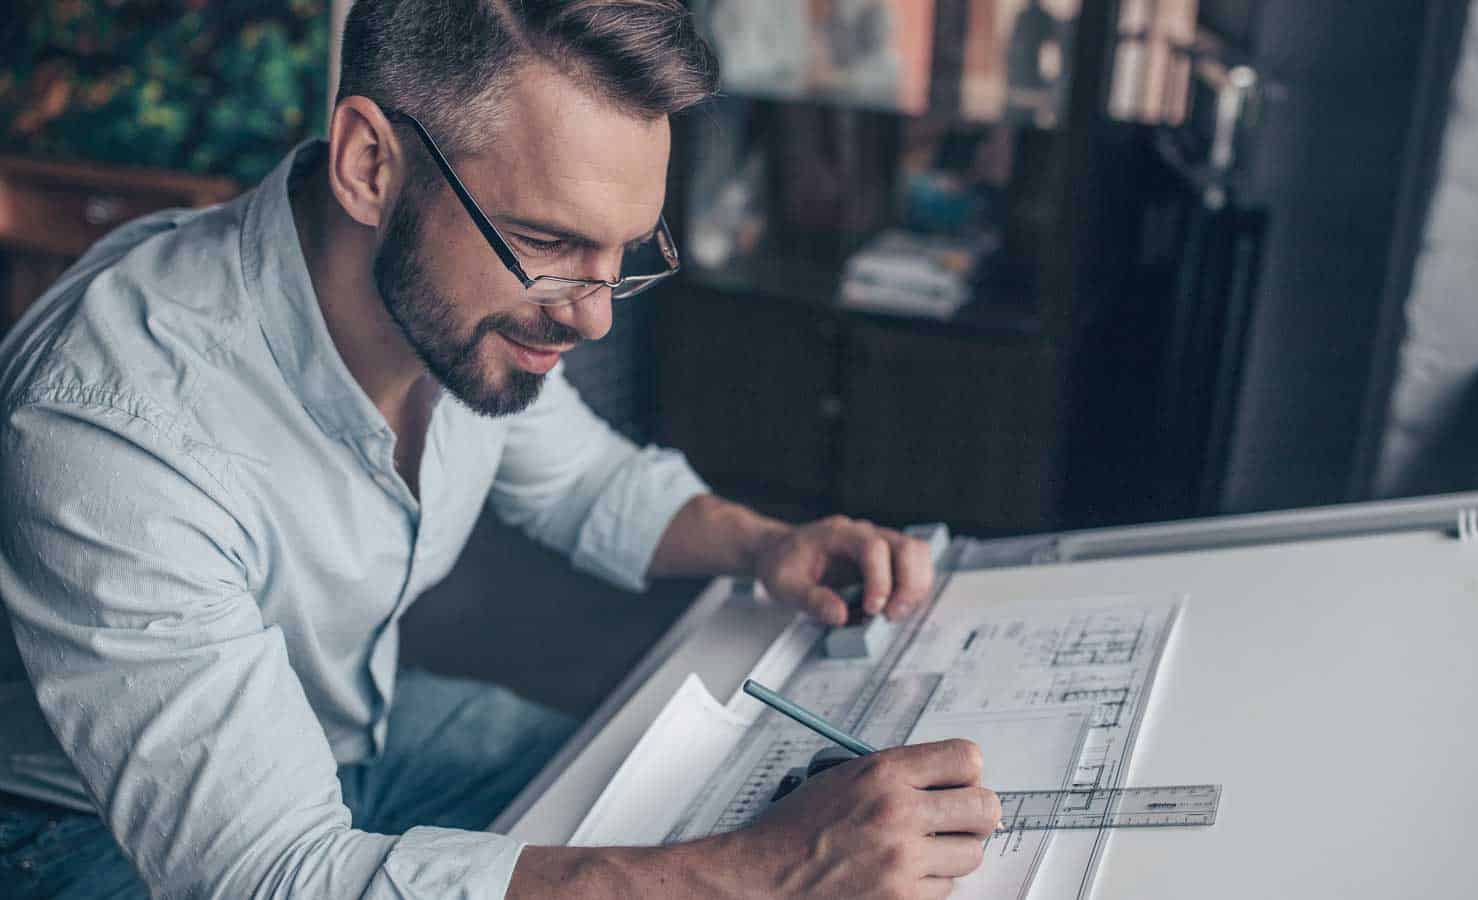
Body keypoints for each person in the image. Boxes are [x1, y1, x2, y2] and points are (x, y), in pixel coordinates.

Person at [0, 1, 1000, 898]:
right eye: (551, 243)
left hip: (348, 724)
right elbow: (269, 873)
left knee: (679, 797)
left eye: (622, 255)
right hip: (80, 833)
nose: (596, 319)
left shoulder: (449, 299)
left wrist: (762, 546)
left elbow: (582, 481)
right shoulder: (115, 428)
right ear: (369, 165)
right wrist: (760, 874)